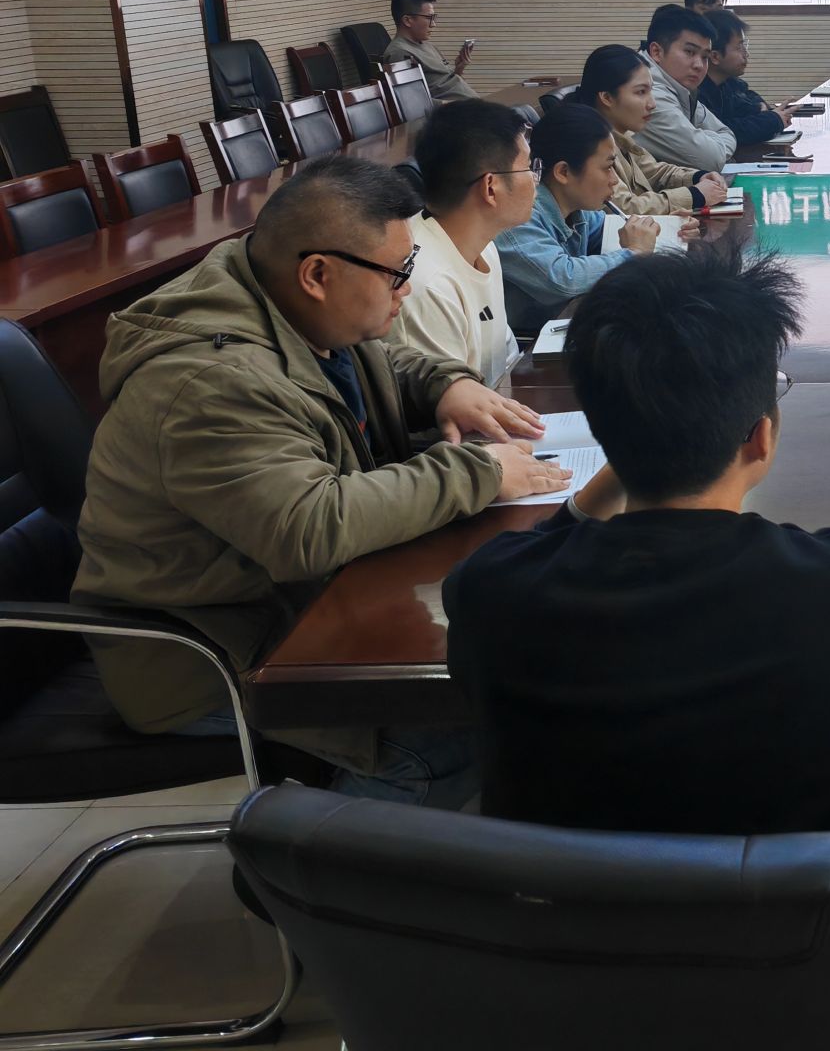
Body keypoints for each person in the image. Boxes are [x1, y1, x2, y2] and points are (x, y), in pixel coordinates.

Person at [444, 247, 830, 943]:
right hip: (799, 976)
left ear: (600, 431)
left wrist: (627, 452)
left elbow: (538, 550)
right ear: (761, 437)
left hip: (568, 969)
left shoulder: (492, 594)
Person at [71, 155, 568, 806]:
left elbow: (376, 356)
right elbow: (308, 527)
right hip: (207, 655)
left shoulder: (288, 300)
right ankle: (318, 855)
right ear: (317, 274)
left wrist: (447, 386)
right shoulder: (208, 383)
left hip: (296, 606)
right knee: (452, 738)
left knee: (494, 680)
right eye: (398, 273)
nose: (407, 290)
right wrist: (478, 471)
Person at [390, 100, 537, 383]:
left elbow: (505, 358)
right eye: (528, 168)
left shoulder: (485, 245)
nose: (534, 179)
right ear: (490, 188)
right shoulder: (426, 284)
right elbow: (451, 401)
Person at [498, 103, 668, 334]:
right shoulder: (518, 218)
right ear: (564, 172)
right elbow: (563, 277)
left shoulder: (575, 208)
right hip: (531, 344)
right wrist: (634, 253)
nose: (614, 180)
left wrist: (668, 225)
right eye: (608, 167)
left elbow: (613, 227)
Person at [573, 43, 728, 215]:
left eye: (650, 91)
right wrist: (695, 195)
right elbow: (623, 208)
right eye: (641, 92)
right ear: (607, 97)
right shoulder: (587, 144)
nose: (652, 104)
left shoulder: (620, 136)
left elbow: (654, 172)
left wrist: (697, 177)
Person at [638, 5, 739, 173]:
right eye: (690, 52)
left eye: (705, 57)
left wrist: (704, 139)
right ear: (656, 52)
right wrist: (706, 140)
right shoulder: (650, 95)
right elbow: (710, 160)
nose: (699, 65)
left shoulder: (679, 87)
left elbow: (726, 132)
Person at [699, 8, 793, 146]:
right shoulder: (698, 92)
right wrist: (773, 120)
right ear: (715, 56)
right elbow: (726, 131)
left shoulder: (728, 83)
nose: (746, 54)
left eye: (745, 45)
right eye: (739, 47)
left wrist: (759, 110)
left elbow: (752, 101)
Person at [383, 0, 477, 101]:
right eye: (429, 18)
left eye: (434, 18)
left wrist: (459, 68)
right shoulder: (399, 53)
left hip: (471, 106)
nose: (433, 24)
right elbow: (413, 102)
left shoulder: (427, 45)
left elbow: (443, 85)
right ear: (407, 20)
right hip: (457, 110)